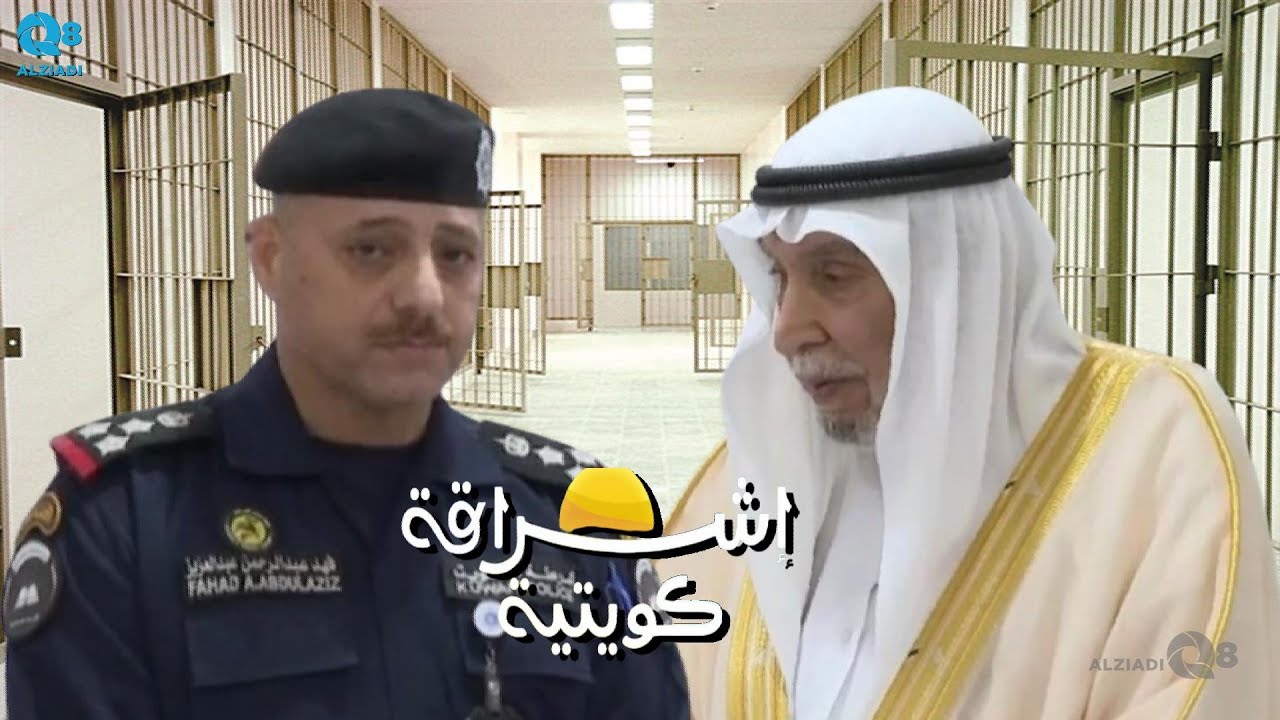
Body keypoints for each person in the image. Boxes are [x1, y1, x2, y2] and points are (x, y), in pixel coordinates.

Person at [3, 88, 690, 720]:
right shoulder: (123, 519)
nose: (423, 294)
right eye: (371, 249)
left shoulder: (568, 519)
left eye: (455, 255)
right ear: (270, 259)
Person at [656, 86, 1280, 719]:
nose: (788, 330)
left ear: (952, 281)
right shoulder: (758, 469)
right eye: (780, 277)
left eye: (834, 275)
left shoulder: (1151, 450)